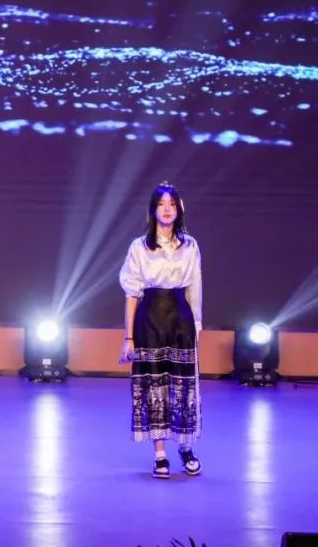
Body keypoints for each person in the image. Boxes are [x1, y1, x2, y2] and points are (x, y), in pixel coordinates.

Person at [118, 183, 203, 479]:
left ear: (179, 209)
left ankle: (186, 447)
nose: (167, 209)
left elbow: (195, 288)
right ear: (153, 210)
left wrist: (197, 325)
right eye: (162, 204)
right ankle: (160, 454)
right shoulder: (139, 247)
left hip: (180, 318)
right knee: (154, 385)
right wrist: (128, 337)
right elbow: (132, 293)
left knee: (183, 385)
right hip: (150, 319)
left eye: (172, 204)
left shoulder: (190, 246)